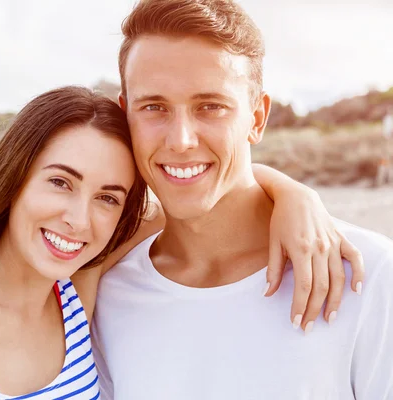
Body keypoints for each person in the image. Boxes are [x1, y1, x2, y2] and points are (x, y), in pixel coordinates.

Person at [0, 90, 359, 397]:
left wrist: (291, 193)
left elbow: (199, 199)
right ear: (14, 178)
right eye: (60, 182)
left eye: (109, 198)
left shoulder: (77, 297)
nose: (78, 220)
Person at [92, 1, 393, 399]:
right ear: (126, 115)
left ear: (256, 118)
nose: (181, 140)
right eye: (155, 107)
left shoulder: (366, 275)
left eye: (210, 107)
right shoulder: (109, 294)